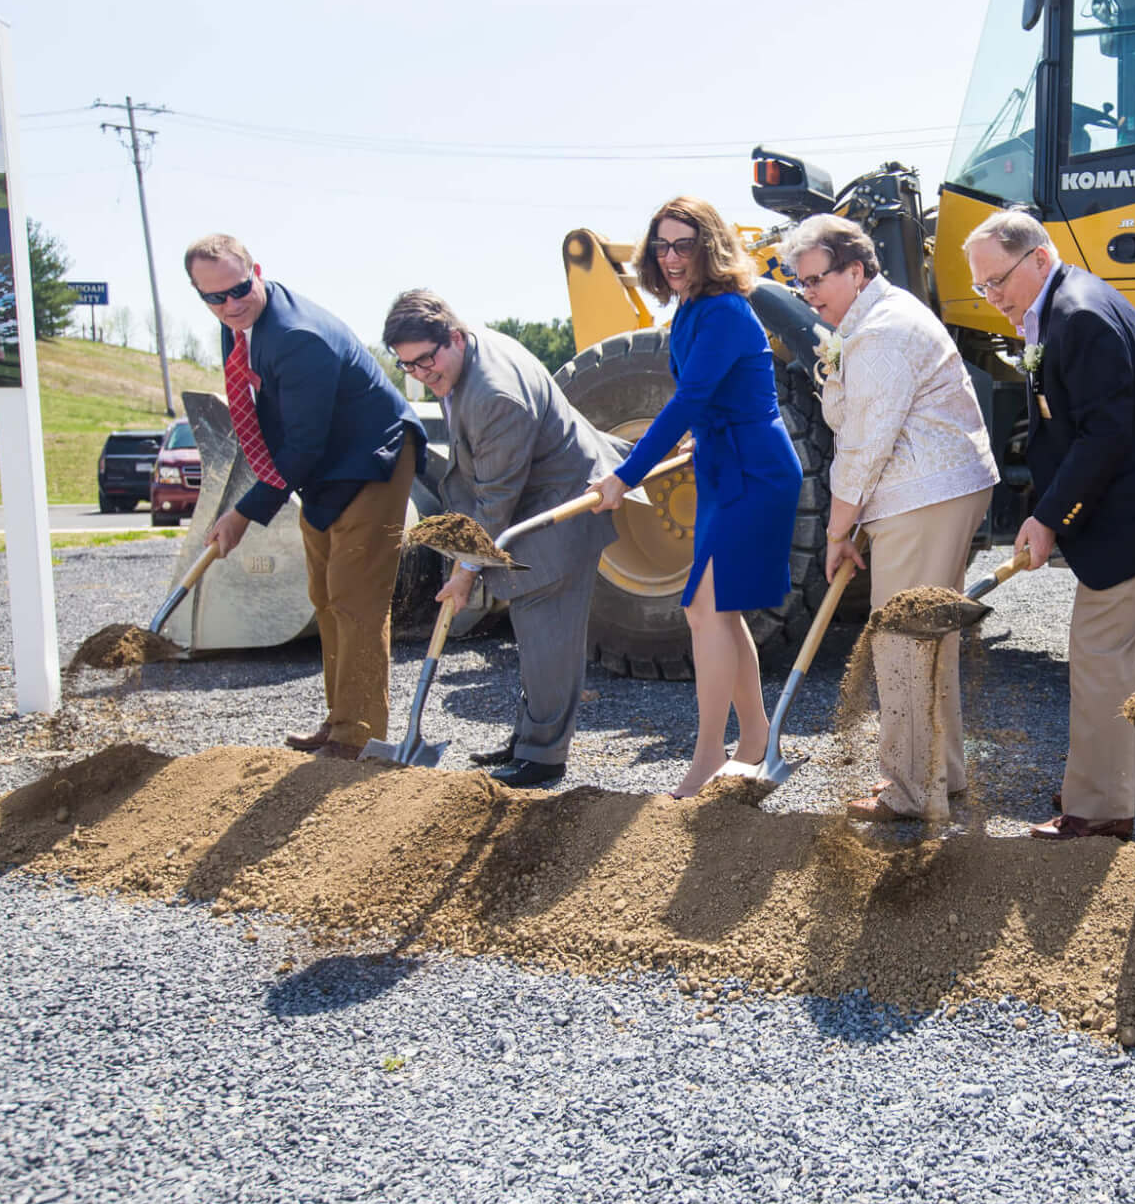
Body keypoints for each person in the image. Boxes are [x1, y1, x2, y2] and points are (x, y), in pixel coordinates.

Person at [963, 209, 1135, 843]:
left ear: (1040, 260)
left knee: (1098, 652)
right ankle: (1125, 786)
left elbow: (1106, 434)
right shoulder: (1064, 306)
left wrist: (1048, 516)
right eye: (982, 288)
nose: (992, 297)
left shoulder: (1077, 316)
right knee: (1120, 654)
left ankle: (1100, 810)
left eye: (997, 281)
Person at [782, 215, 999, 823]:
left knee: (903, 643)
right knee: (929, 640)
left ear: (856, 270)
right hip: (933, 492)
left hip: (920, 498)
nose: (809, 294)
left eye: (817, 279)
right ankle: (940, 775)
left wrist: (836, 530)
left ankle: (908, 791)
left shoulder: (878, 333)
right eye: (801, 284)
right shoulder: (876, 317)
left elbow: (862, 445)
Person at [590, 198, 802, 798]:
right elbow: (704, 400)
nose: (672, 257)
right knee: (711, 610)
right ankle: (755, 737)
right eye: (662, 246)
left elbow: (688, 397)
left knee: (707, 610)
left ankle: (711, 754)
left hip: (754, 473)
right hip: (718, 464)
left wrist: (625, 476)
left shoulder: (727, 309)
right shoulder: (687, 309)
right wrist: (690, 436)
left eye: (684, 245)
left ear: (709, 247)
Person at [186, 234, 425, 759]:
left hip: (370, 460)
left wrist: (244, 514)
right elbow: (286, 439)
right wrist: (249, 503)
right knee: (323, 595)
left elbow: (303, 446)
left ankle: (358, 735)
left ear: (257, 271)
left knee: (355, 598)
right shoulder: (238, 328)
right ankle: (340, 719)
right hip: (323, 469)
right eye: (215, 298)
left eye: (238, 289)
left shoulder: (298, 337)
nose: (230, 304)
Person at [383, 290, 626, 789]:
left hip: (554, 513)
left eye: (427, 360)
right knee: (533, 637)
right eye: (408, 366)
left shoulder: (494, 395)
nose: (422, 374)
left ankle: (542, 759)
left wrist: (464, 572)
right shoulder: (466, 353)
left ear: (452, 336)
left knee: (548, 638)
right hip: (531, 501)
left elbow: (495, 500)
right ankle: (528, 738)